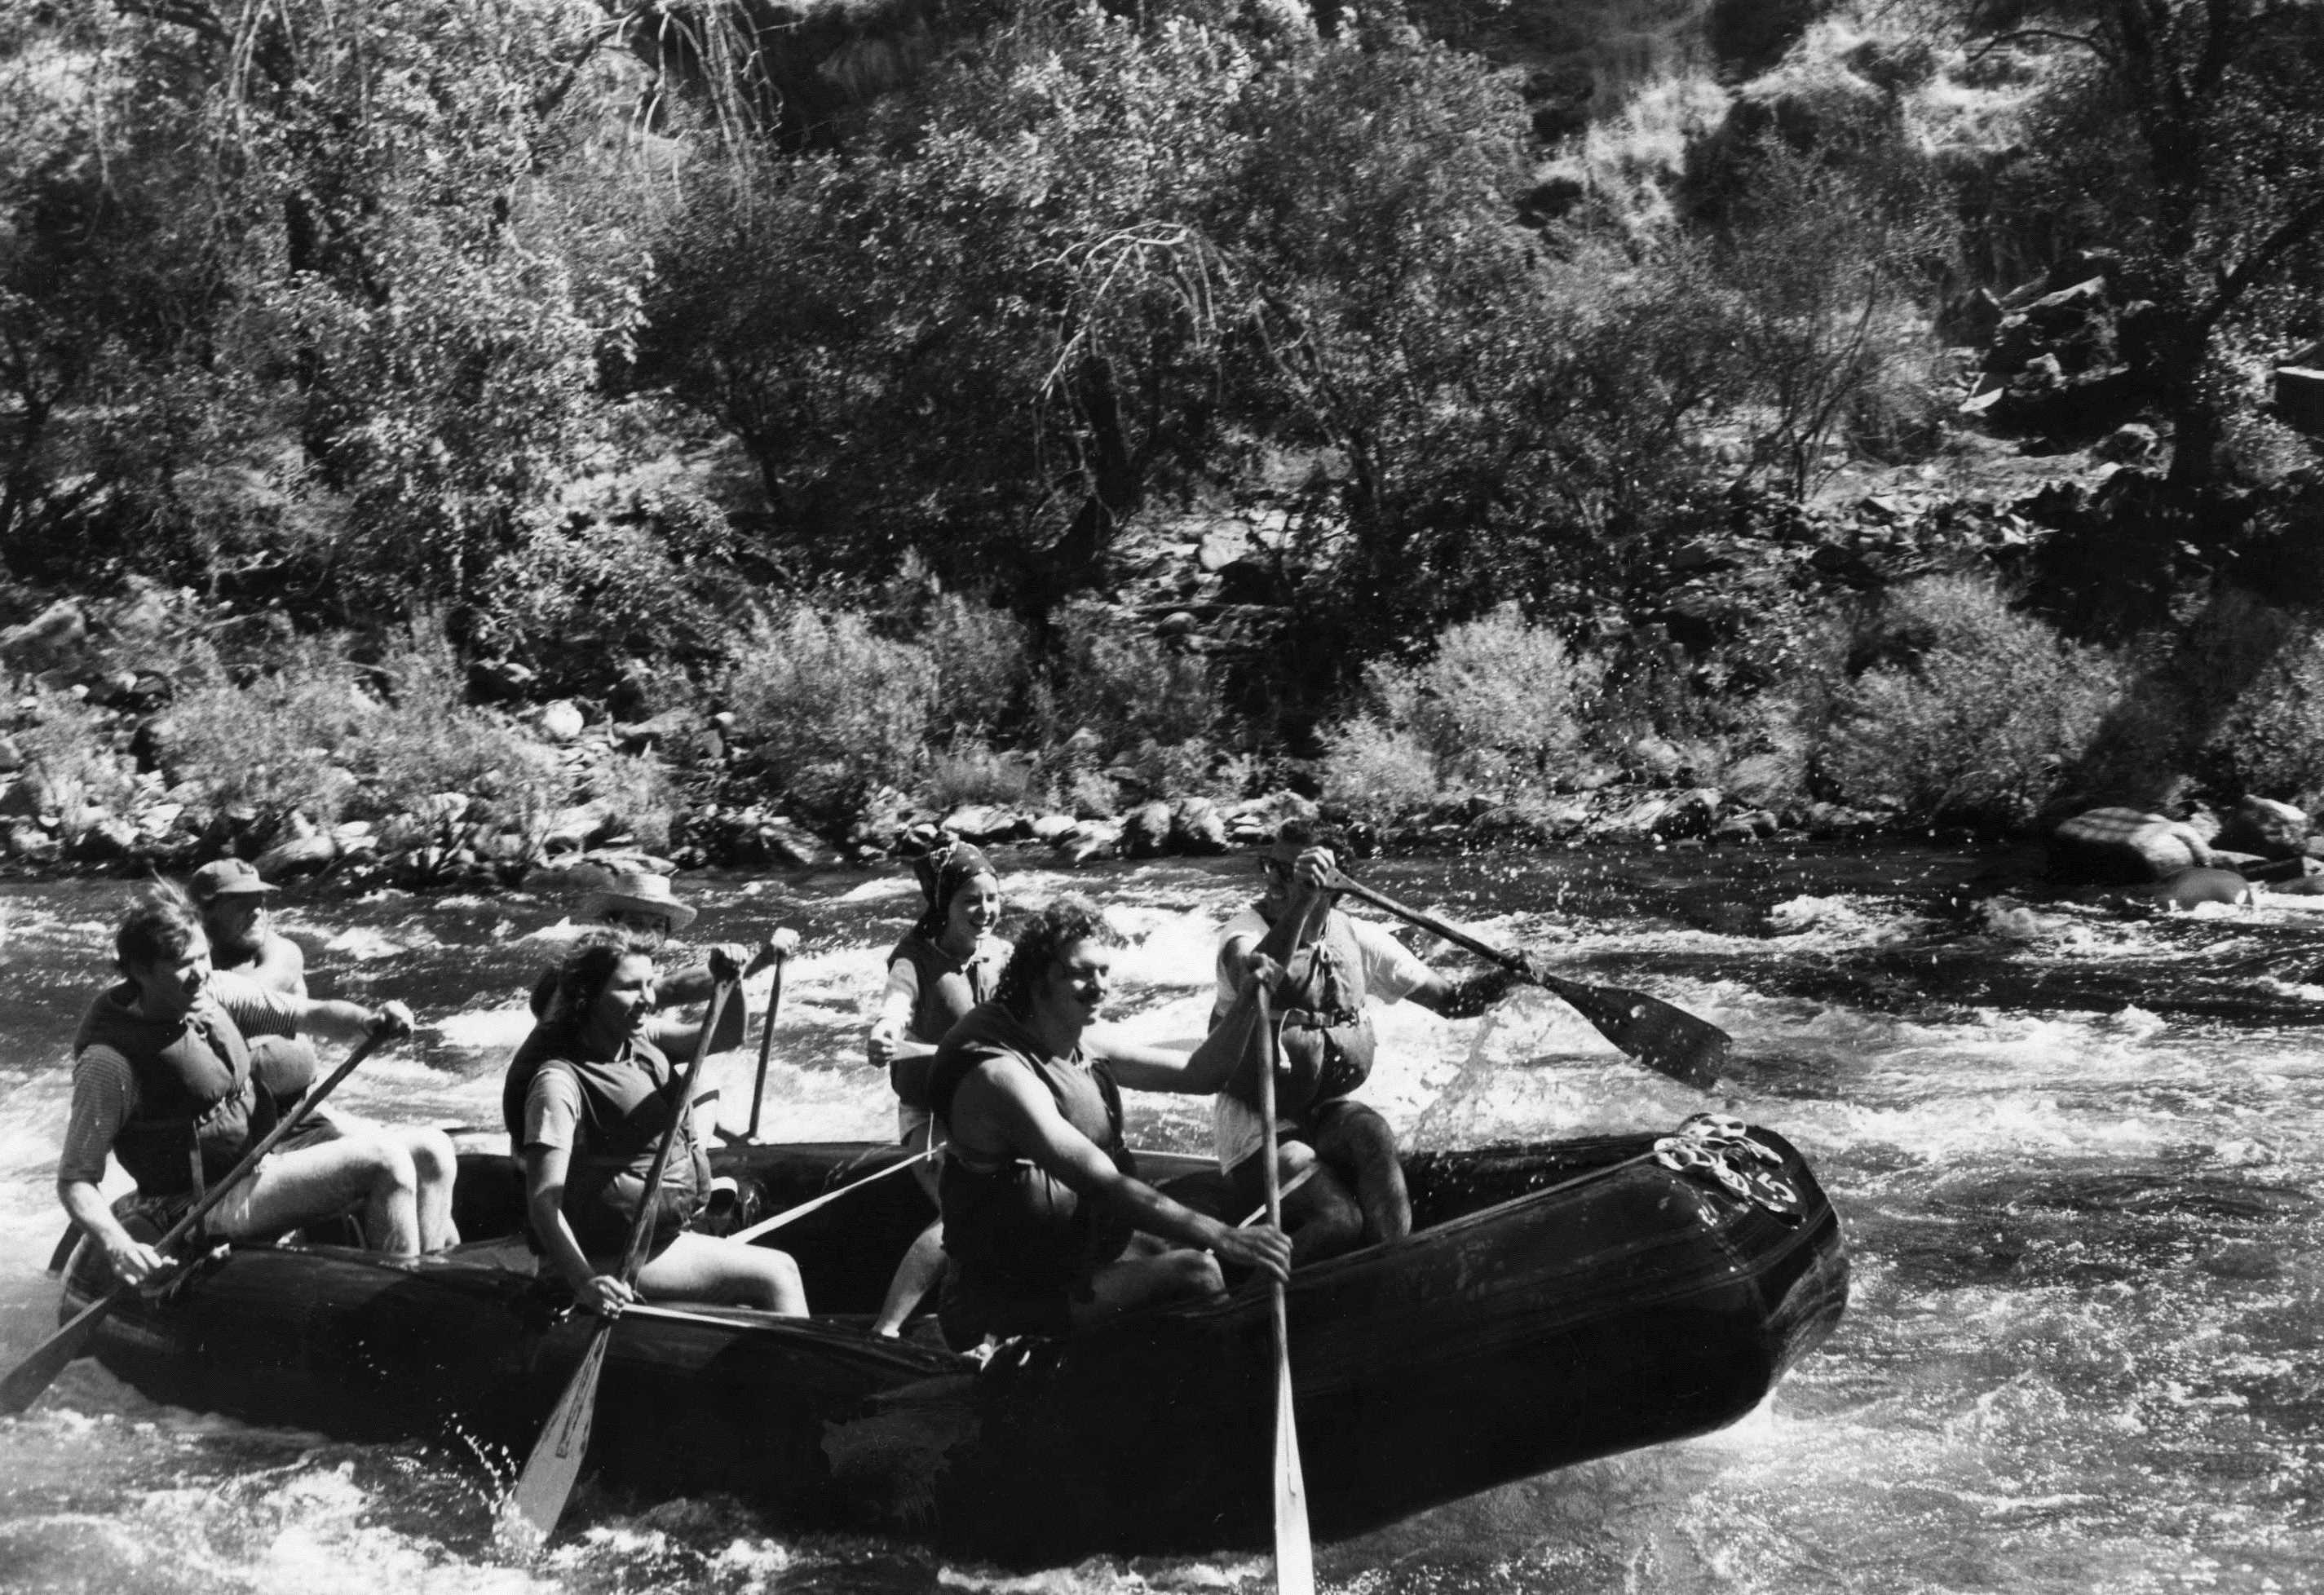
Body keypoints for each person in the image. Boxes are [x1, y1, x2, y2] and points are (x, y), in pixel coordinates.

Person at [926, 895, 1292, 1350]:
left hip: (1077, 1260)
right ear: (1038, 978)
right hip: (1006, 1300)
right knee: (1199, 1270)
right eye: (1082, 973)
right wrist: (1227, 1237)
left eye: (1104, 972)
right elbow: (1103, 1184)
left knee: (1188, 1249)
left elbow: (1202, 1074)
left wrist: (1247, 1003)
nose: (1099, 987)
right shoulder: (1000, 1076)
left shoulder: (1077, 1040)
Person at [59, 888, 456, 1291]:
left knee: (432, 1147)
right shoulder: (108, 1062)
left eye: (202, 956)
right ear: (141, 972)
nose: (200, 972)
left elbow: (308, 1014)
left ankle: (439, 1282)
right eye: (182, 964)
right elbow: (75, 1178)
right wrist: (118, 1244)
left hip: (262, 1159)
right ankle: (402, 1303)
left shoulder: (213, 992)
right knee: (385, 1161)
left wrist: (369, 1020)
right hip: (198, 1203)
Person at [1209, 820, 1531, 1261]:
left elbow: (1453, 1002)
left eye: (1290, 872)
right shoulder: (1241, 932)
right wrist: (1302, 903)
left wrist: (1506, 979)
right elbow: (1255, 974)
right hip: (1255, 1120)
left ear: (1332, 887)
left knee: (1373, 1133)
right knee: (1339, 1219)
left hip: (1319, 1108)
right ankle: (1245, 1314)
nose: (1271, 880)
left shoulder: (1357, 938)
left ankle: (1394, 1270)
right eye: (1270, 865)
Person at [506, 930, 806, 1318]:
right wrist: (584, 1282)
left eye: (650, 984)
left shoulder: (642, 1045)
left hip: (656, 1239)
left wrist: (729, 981)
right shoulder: (558, 1082)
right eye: (631, 988)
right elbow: (544, 1204)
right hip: (603, 1257)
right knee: (778, 1272)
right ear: (587, 998)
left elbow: (728, 1035)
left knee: (770, 1272)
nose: (648, 998)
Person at [863, 837, 1007, 1337]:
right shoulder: (914, 957)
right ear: (944, 904)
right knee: (965, 1214)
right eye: (971, 900)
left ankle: (986, 1325)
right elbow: (896, 1003)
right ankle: (887, 1328)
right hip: (930, 1121)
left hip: (990, 1119)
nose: (985, 910)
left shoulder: (1003, 956)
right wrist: (886, 1031)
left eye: (992, 897)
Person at [527, 866, 797, 1063]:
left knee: (702, 1073)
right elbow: (672, 990)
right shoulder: (588, 968)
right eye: (634, 923)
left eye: (657, 925)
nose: (647, 934)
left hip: (602, 1065)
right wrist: (759, 961)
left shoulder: (629, 970)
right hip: (562, 1084)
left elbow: (722, 1033)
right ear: (610, 924)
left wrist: (746, 968)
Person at [191, 858, 307, 997]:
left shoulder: (283, 954)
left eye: (260, 903)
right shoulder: (179, 962)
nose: (257, 912)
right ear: (202, 914)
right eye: (242, 904)